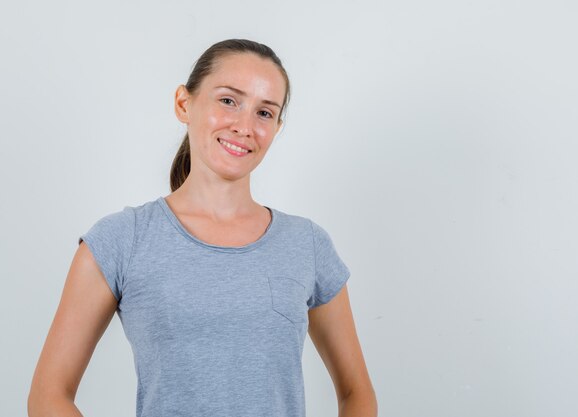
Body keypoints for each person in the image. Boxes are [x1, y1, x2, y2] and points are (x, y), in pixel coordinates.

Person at [28, 38, 377, 417]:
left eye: (264, 113)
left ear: (277, 128)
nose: (245, 126)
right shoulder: (121, 240)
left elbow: (356, 392)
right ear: (184, 103)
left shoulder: (307, 244)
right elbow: (49, 396)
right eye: (228, 100)